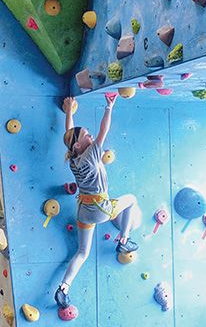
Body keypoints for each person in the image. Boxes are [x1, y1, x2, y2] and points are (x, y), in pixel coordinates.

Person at [54, 96, 140, 309]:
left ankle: (63, 288)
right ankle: (123, 241)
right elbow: (104, 130)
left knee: (82, 252)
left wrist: (69, 112)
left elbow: (70, 134)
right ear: (79, 144)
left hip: (84, 211)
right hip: (101, 209)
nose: (90, 135)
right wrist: (109, 106)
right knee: (131, 200)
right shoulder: (92, 153)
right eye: (86, 135)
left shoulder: (73, 159)